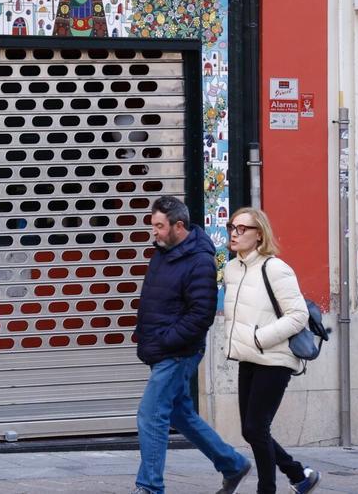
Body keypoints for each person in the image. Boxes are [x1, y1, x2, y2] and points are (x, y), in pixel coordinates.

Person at [132, 195, 252, 494]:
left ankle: (149, 487)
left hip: (178, 352)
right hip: (163, 349)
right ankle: (232, 464)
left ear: (179, 226)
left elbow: (201, 316)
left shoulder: (199, 261)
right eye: (154, 225)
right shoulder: (163, 251)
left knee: (151, 414)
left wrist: (163, 342)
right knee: (179, 413)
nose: (154, 232)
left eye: (160, 226)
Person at [222, 207, 323, 494]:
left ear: (258, 235)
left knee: (256, 428)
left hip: (275, 358)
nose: (234, 233)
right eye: (232, 226)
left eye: (242, 229)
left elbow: (298, 315)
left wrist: (259, 338)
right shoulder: (232, 269)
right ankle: (299, 475)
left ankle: (267, 489)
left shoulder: (275, 268)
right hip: (249, 357)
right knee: (251, 429)